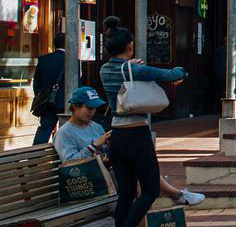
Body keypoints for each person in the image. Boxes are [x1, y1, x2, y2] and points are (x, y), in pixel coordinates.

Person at [100, 28, 195, 226]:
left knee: (126, 193)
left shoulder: (104, 70)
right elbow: (169, 74)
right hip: (137, 133)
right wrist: (182, 72)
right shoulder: (134, 69)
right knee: (150, 189)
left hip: (116, 135)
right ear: (129, 46)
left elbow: (123, 70)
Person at [53, 87, 203, 206]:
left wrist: (109, 150)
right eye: (88, 108)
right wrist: (94, 146)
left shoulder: (95, 126)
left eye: (94, 108)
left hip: (105, 170)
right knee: (138, 174)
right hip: (84, 180)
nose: (92, 112)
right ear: (75, 107)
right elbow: (69, 163)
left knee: (138, 166)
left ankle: (175, 195)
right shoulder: (65, 133)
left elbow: (105, 152)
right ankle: (177, 194)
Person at [32, 33, 66, 144]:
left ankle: (34, 158)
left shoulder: (43, 59)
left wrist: (40, 97)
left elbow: (36, 83)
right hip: (65, 103)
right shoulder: (72, 60)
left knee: (44, 130)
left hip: (47, 102)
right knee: (66, 132)